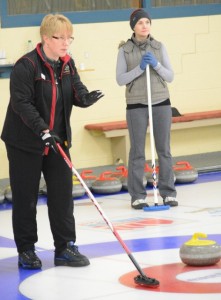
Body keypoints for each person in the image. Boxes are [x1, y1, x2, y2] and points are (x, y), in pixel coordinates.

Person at [1, 14, 104, 269]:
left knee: (62, 196)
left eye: (70, 38)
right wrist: (42, 129)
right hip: (25, 140)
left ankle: (65, 246)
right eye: (60, 37)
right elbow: (21, 103)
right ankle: (26, 250)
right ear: (46, 38)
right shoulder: (27, 66)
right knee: (26, 198)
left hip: (58, 140)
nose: (66, 43)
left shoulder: (67, 64)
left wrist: (84, 98)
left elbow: (75, 90)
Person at [116, 9, 177, 209]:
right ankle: (138, 196)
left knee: (164, 149)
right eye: (140, 22)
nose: (145, 25)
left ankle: (168, 192)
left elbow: (169, 76)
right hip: (136, 104)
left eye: (147, 22)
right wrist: (139, 68)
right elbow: (120, 79)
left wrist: (156, 64)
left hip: (161, 101)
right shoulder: (124, 50)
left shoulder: (159, 47)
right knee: (137, 152)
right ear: (133, 26)